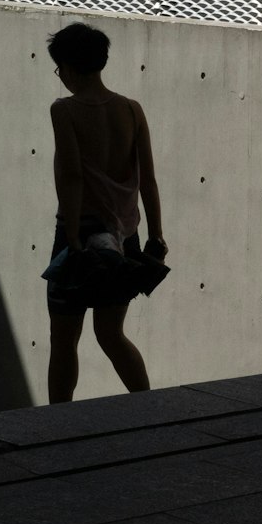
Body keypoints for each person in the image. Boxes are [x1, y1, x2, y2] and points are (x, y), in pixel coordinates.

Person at [45, 22, 167, 403]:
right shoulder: (132, 110)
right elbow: (148, 180)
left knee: (64, 338)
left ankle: (58, 423)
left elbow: (71, 175)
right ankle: (147, 409)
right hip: (124, 240)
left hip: (81, 235)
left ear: (66, 66)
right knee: (111, 334)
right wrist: (156, 236)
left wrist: (75, 237)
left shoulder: (64, 110)